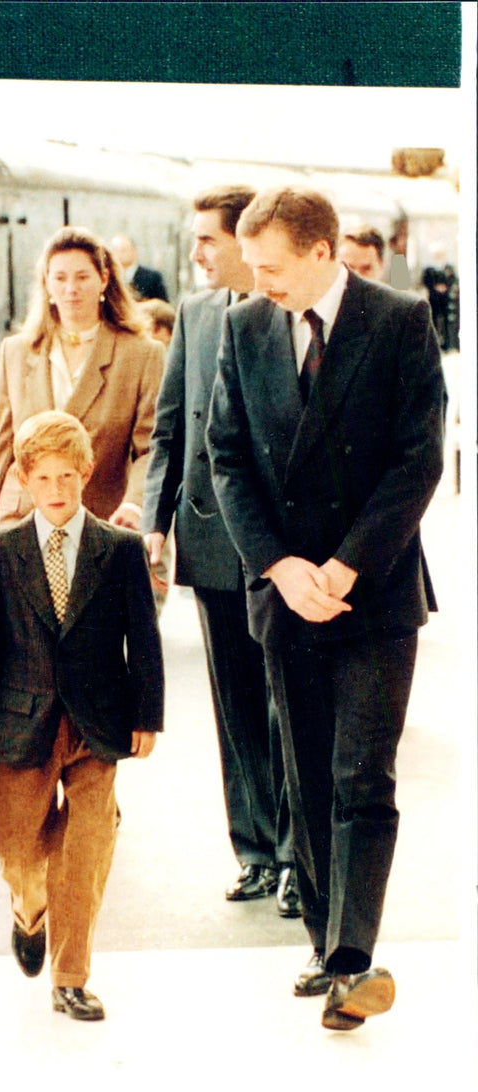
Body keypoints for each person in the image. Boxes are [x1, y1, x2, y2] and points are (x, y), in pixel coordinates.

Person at [208, 187, 444, 1031]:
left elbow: (419, 458)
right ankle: (323, 942)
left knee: (361, 773)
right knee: (306, 775)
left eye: (270, 266)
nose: (257, 281)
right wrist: (277, 564)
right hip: (286, 592)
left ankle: (352, 957)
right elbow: (226, 457)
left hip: (372, 592)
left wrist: (345, 565)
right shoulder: (242, 327)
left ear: (320, 252)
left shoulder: (398, 320)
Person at [0, 410, 164, 1021]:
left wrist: (146, 716)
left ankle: (71, 977)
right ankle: (29, 905)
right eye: (43, 477)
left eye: (67, 477)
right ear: (24, 477)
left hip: (97, 722)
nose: (56, 490)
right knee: (17, 846)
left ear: (86, 474)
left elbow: (143, 640)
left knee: (86, 847)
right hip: (20, 721)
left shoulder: (120, 550)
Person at [142, 186, 297, 917]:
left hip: (281, 546)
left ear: (245, 240)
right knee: (237, 706)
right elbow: (170, 428)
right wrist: (155, 519)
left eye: (207, 238)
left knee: (289, 704)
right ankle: (258, 852)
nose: (196, 252)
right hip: (209, 537)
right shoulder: (197, 318)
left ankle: (301, 855)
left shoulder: (285, 314)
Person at [0, 225, 164, 592]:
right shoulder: (17, 352)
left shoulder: (141, 355)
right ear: (46, 285)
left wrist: (134, 507)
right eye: (61, 278)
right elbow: (2, 452)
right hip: (19, 527)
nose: (71, 289)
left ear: (103, 280)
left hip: (100, 528)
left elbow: (149, 449)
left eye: (83, 276)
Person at [110, 233, 169, 301]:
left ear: (134, 251)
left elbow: (163, 307)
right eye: (115, 251)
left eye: (123, 251)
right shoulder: (110, 277)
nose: (118, 255)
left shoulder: (152, 277)